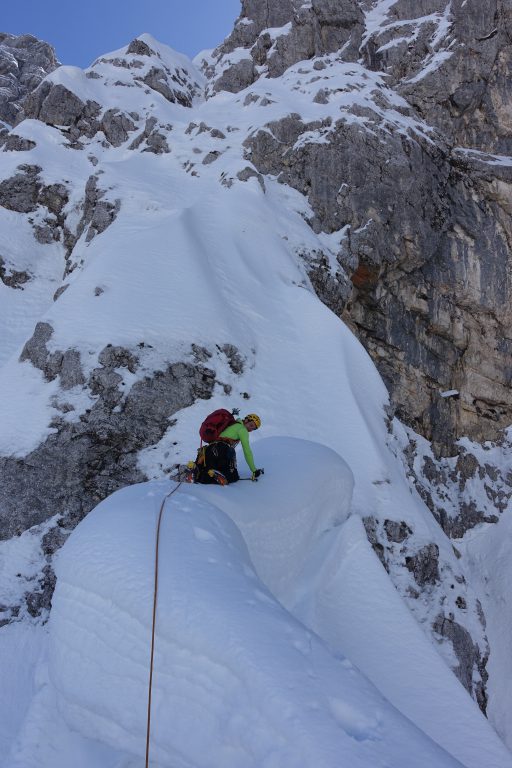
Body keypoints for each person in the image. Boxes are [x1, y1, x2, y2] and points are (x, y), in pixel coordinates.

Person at [193, 414, 263, 485]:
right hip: (221, 450)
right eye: (251, 425)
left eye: (253, 429)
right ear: (246, 420)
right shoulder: (242, 429)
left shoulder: (233, 424)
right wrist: (254, 470)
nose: (250, 429)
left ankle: (194, 472)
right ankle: (207, 476)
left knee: (206, 470)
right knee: (233, 477)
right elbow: (247, 451)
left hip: (208, 450)